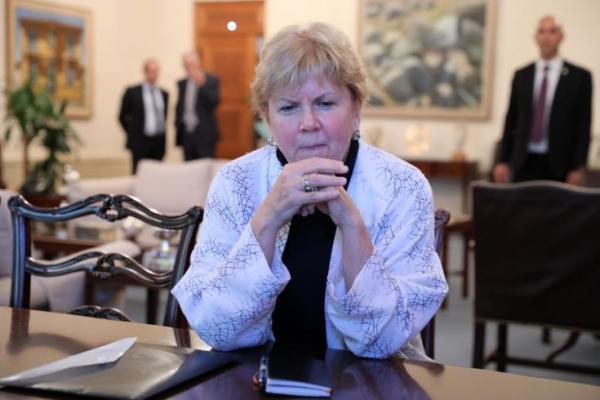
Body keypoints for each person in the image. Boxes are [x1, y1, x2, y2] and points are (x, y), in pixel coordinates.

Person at [172, 23, 447, 360]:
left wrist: (352, 225)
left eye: (325, 103)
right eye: (288, 108)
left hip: (371, 381)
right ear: (266, 117)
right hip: (258, 379)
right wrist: (269, 217)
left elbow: (382, 341)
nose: (308, 123)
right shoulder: (235, 182)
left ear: (357, 108)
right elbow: (217, 329)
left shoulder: (403, 186)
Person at [493, 15, 593, 184]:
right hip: (524, 161)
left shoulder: (580, 77)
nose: (546, 36)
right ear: (535, 37)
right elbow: (511, 119)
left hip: (561, 164)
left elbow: (584, 124)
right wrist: (503, 160)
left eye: (552, 31)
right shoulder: (522, 75)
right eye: (541, 31)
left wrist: (579, 165)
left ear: (561, 36)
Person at [118, 59, 168, 173]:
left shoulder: (164, 94)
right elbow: (122, 116)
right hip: (140, 142)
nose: (153, 74)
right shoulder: (132, 92)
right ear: (145, 72)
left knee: (157, 174)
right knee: (139, 173)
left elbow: (164, 117)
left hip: (158, 142)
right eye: (151, 71)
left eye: (156, 71)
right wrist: (133, 133)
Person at [175, 52, 221, 160]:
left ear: (198, 64)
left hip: (205, 133)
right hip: (187, 134)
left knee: (206, 165)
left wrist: (201, 85)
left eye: (191, 64)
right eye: (186, 65)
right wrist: (177, 123)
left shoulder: (211, 80)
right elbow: (179, 106)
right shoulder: (182, 83)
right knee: (189, 166)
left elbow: (213, 103)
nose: (189, 68)